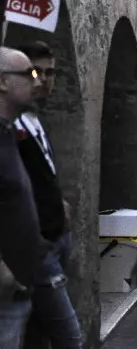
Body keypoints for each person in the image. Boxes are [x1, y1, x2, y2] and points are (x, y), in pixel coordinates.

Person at [13, 43, 82, 348]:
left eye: (50, 72)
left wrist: (59, 202)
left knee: (39, 333)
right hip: (36, 246)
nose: (42, 79)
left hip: (57, 238)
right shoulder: (11, 123)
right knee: (69, 337)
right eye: (35, 72)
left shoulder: (36, 118)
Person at [0, 47, 46, 349]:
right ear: (3, 82)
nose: (38, 81)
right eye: (29, 74)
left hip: (20, 291)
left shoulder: (8, 132)